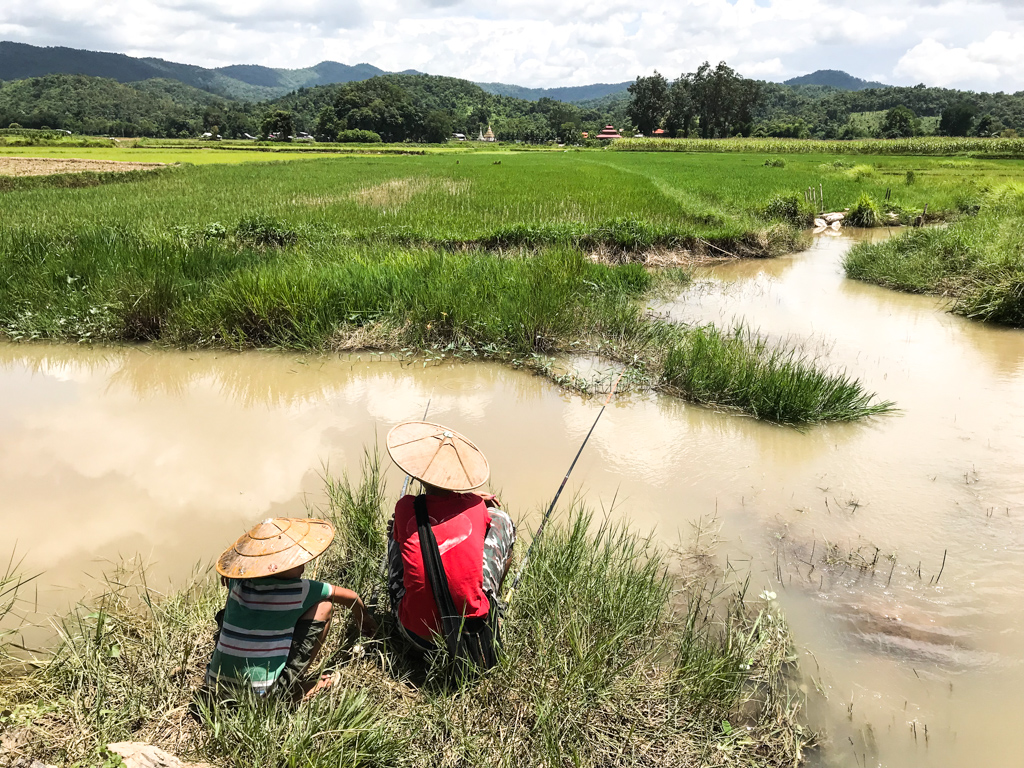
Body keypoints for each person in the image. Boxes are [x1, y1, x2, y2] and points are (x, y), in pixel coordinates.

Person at [204, 517, 377, 700]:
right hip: (264, 698)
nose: (302, 565)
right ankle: (292, 690)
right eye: (293, 561)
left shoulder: (237, 583)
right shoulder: (300, 590)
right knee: (324, 607)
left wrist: (234, 572)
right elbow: (351, 597)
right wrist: (362, 618)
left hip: (215, 687)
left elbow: (229, 571)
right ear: (276, 566)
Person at [385, 421, 515, 659]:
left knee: (395, 528)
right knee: (502, 520)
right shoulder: (476, 505)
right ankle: (492, 600)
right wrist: (474, 498)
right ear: (461, 477)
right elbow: (473, 511)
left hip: (416, 636)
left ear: (421, 474)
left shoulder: (405, 507)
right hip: (472, 635)